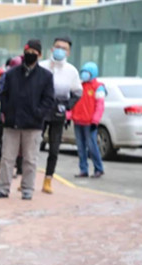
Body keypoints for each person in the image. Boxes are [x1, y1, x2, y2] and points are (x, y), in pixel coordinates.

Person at [0, 39, 54, 201]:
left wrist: (38, 113)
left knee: (30, 159)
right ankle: (3, 188)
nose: (30, 55)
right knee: (7, 158)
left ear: (39, 55)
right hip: (12, 123)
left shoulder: (46, 77)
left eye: (33, 53)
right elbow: (2, 94)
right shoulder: (12, 74)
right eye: (28, 52)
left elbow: (48, 100)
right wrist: (7, 110)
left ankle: (27, 189)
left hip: (33, 125)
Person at [39, 36, 82, 194]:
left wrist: (66, 105)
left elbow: (78, 92)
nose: (60, 50)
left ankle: (48, 180)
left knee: (54, 148)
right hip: (41, 112)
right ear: (51, 48)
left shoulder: (71, 71)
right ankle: (26, 177)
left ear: (69, 52)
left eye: (64, 48)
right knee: (33, 145)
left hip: (58, 114)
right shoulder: (42, 67)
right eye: (57, 47)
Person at [68, 62, 105, 178]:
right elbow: (72, 102)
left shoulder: (98, 87)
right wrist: (68, 116)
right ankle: (83, 170)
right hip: (78, 121)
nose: (84, 74)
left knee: (92, 146)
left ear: (93, 73)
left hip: (90, 123)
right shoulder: (79, 85)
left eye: (86, 72)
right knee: (80, 147)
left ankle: (98, 168)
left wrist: (95, 121)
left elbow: (100, 106)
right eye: (83, 72)